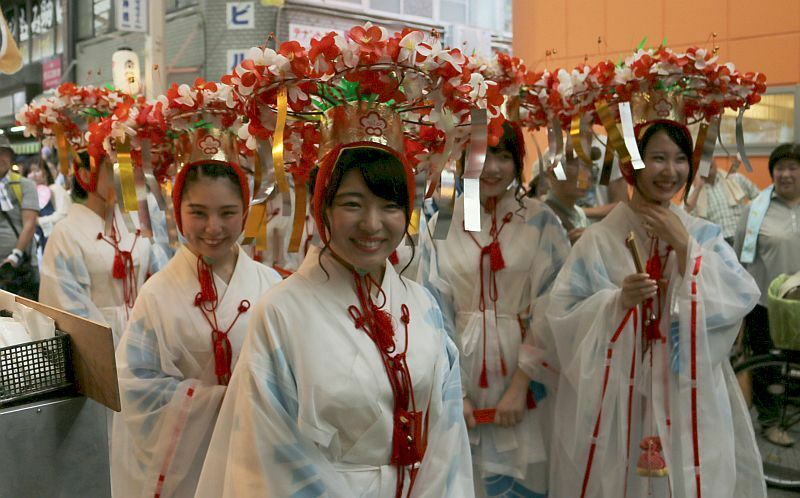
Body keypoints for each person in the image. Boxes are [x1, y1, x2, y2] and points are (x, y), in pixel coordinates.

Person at [196, 142, 473, 497]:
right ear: (322, 208)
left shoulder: (422, 304)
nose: (372, 224)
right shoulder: (281, 312)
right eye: (352, 204)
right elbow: (267, 452)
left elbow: (447, 436)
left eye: (389, 206)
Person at [546, 119, 766, 498]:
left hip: (687, 393)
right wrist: (615, 304)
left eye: (681, 159)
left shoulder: (701, 234)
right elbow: (561, 315)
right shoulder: (598, 240)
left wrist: (685, 249)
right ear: (634, 164)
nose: (670, 171)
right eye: (658, 158)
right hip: (619, 398)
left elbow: (740, 296)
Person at [112, 157, 282, 498]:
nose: (213, 227)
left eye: (228, 213)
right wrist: (221, 401)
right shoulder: (157, 293)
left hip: (257, 449)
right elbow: (134, 387)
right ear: (178, 211)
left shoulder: (271, 284)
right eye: (199, 213)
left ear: (245, 213)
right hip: (187, 465)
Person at [419, 121, 570, 498]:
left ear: (518, 163)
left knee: (528, 478)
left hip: (526, 371)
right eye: (481, 155)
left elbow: (554, 305)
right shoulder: (441, 224)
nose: (492, 167)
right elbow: (432, 309)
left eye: (503, 156)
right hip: (460, 371)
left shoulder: (542, 222)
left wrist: (521, 385)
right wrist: (456, 392)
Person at [38, 153, 155, 345]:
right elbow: (68, 310)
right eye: (112, 168)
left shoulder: (138, 223)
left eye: (128, 166)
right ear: (85, 175)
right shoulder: (65, 233)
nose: (124, 176)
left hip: (148, 338)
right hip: (100, 348)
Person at [735, 142, 800, 446]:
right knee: (769, 366)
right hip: (766, 305)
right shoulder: (755, 210)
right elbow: (739, 258)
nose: (786, 174)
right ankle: (771, 422)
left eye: (793, 167)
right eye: (780, 168)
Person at [686, 158, 760, 246]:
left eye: (708, 157)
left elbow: (761, 199)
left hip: (743, 240)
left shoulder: (735, 179)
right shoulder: (693, 192)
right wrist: (697, 188)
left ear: (714, 159)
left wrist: (753, 224)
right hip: (716, 246)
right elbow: (684, 217)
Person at [0, 135, 39, 299]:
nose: (0, 157)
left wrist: (15, 255)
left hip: (19, 268)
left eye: (4, 153)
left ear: (10, 156)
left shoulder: (25, 185)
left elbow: (30, 223)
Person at [545, 149, 595, 244]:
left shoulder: (579, 213)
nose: (587, 175)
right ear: (554, 173)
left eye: (588, 168)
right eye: (577, 167)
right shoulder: (545, 216)